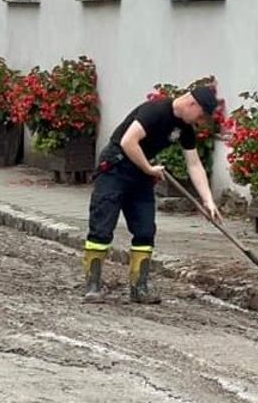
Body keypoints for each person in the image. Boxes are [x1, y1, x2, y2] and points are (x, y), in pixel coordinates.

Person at [83, 85, 222, 304]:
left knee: (145, 230)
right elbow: (128, 141)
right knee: (101, 228)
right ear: (192, 103)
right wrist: (149, 169)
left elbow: (194, 164)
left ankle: (140, 286)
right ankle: (93, 284)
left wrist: (208, 201)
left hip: (140, 175)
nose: (200, 120)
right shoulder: (155, 111)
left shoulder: (185, 129)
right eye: (201, 114)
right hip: (115, 169)